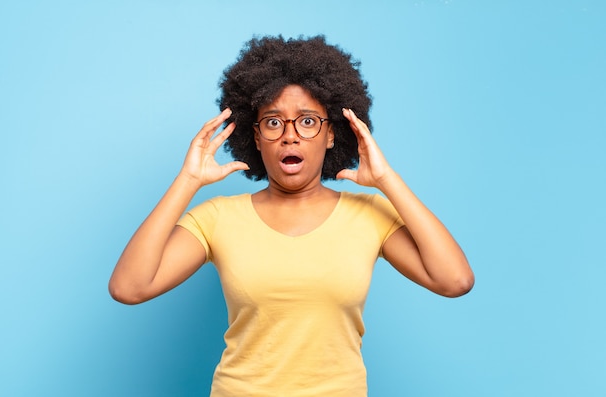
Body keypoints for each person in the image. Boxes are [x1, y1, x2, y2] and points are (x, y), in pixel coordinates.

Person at [109, 35, 474, 397]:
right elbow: (129, 288)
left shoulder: (368, 214)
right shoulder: (217, 218)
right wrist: (187, 181)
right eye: (273, 122)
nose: (290, 136)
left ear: (331, 134)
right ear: (255, 137)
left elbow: (454, 280)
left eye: (308, 121)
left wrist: (387, 180)